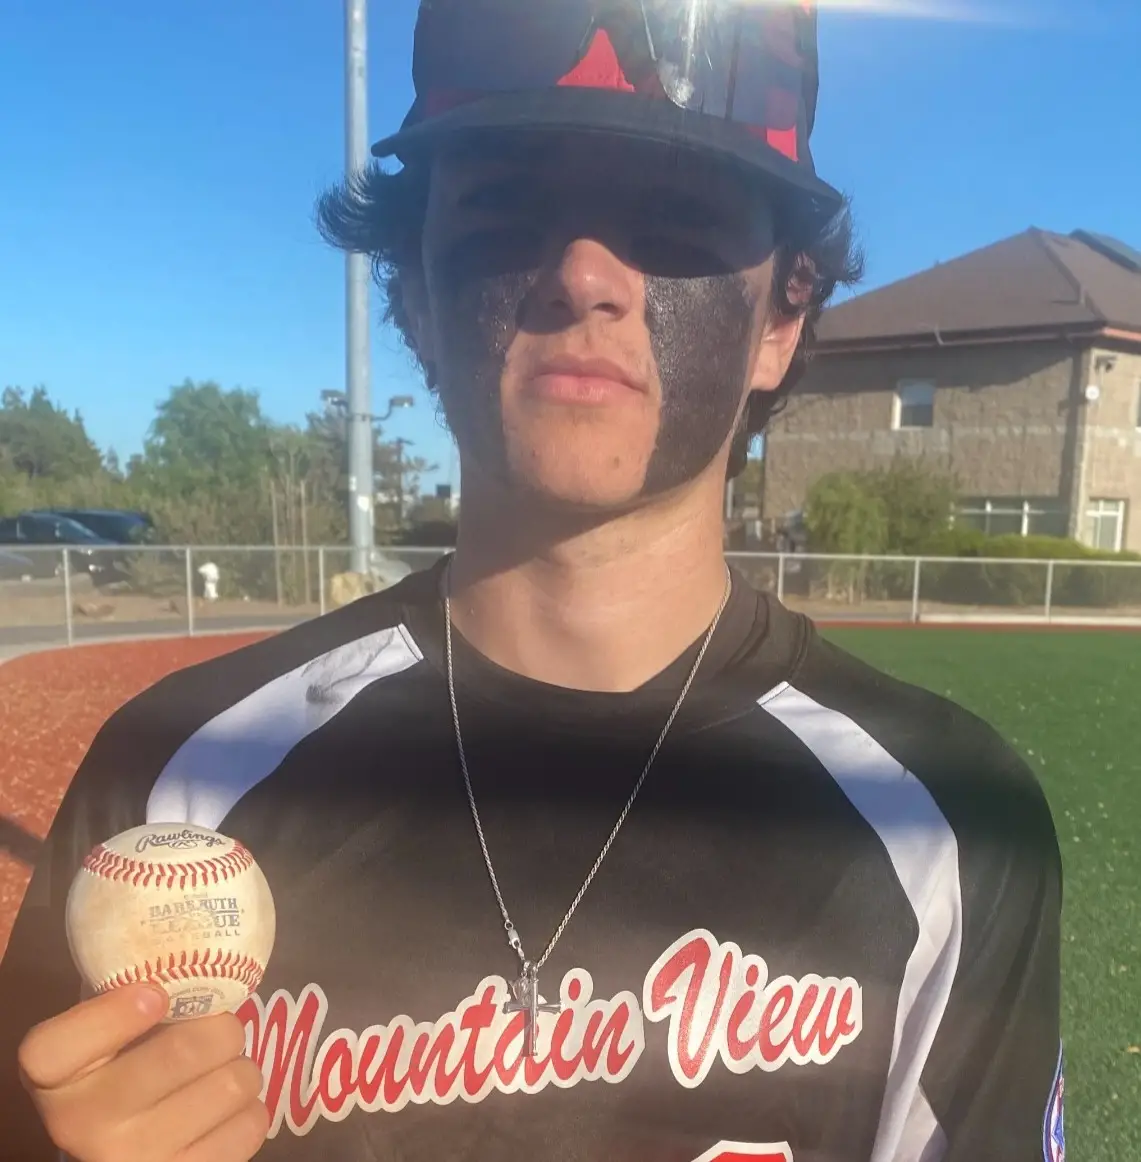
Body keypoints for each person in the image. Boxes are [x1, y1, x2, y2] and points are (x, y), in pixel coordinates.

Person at [0, 2, 1063, 1160]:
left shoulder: (945, 820)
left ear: (780, 318)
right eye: (506, 205)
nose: (582, 275)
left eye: (676, 216)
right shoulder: (185, 771)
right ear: (414, 292)